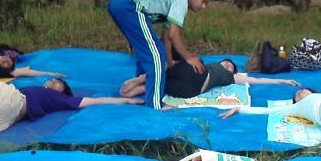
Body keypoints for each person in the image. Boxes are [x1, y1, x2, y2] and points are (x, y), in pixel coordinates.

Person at [107, 0, 214, 110]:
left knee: (146, 49)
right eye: (203, 1)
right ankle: (154, 106)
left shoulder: (175, 1)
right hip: (129, 3)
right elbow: (174, 35)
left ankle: (143, 86)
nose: (204, 6)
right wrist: (188, 58)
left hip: (116, 1)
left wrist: (170, 63)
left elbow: (167, 37)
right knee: (155, 54)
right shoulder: (182, 0)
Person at [0, 75, 142, 134]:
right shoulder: (44, 95)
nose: (52, 82)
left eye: (58, 83)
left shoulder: (63, 99)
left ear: (63, 91)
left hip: (11, 103)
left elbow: (98, 100)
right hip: (1, 123)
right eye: (52, 80)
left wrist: (128, 101)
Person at [119, 58, 301, 99]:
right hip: (195, 73)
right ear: (219, 62)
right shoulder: (207, 65)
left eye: (231, 67)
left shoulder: (232, 77)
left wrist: (283, 81)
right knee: (176, 67)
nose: (229, 66)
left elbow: (257, 81)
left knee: (165, 84)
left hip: (193, 89)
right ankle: (142, 80)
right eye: (227, 63)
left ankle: (142, 85)